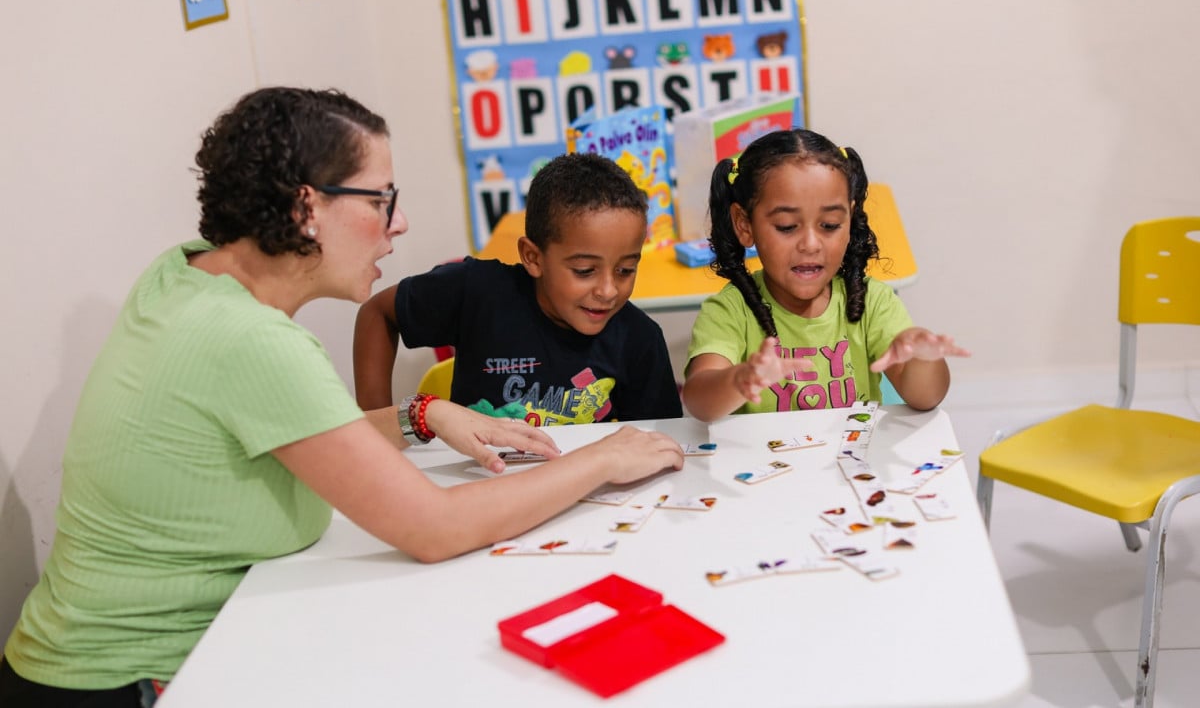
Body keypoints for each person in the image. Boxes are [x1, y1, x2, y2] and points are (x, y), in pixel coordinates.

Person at [0, 87, 684, 708]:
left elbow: (303, 431)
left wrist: (423, 413)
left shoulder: (186, 275)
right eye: (381, 199)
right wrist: (598, 459)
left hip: (100, 658)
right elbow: (435, 530)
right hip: (130, 681)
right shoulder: (252, 342)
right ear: (307, 206)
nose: (402, 222)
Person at [353, 152, 683, 426]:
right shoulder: (476, 292)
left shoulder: (639, 340)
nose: (609, 290)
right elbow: (378, 313)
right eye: (584, 271)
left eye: (626, 270)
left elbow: (660, 442)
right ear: (533, 257)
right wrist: (378, 429)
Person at [682, 128, 969, 421]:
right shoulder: (729, 312)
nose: (810, 244)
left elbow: (926, 397)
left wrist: (923, 358)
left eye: (830, 225)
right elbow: (698, 401)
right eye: (786, 226)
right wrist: (740, 379)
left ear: (849, 219)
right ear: (744, 224)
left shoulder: (873, 301)